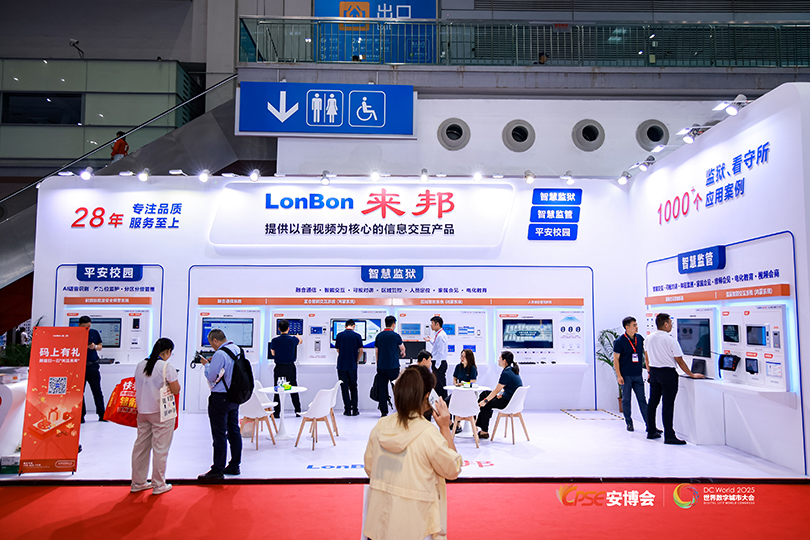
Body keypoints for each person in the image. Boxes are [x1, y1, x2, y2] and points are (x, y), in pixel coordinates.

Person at [363, 365, 462, 540]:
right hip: (417, 527)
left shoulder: (380, 427)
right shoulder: (428, 434)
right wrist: (445, 428)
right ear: (427, 397)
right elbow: (452, 469)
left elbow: (370, 468)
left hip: (379, 526)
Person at [645, 313, 705, 445]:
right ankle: (669, 436)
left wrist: (649, 371)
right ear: (665, 324)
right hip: (668, 374)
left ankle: (651, 431)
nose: (671, 326)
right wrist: (691, 374)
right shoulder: (670, 340)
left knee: (653, 403)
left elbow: (646, 356)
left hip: (654, 372)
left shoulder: (649, 338)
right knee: (667, 405)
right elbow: (680, 360)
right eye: (670, 323)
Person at [130, 338, 180, 495]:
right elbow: (176, 389)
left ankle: (138, 482)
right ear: (168, 351)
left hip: (142, 411)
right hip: (161, 413)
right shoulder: (166, 367)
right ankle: (158, 485)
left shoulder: (140, 365)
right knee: (160, 449)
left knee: (141, 447)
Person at [197, 329, 242, 480]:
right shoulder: (237, 349)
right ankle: (234, 465)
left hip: (220, 398)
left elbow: (211, 376)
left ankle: (217, 469)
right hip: (234, 396)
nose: (212, 346)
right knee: (234, 431)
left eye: (211, 343)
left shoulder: (220, 354)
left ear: (215, 340)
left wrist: (206, 365)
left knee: (219, 434)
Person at [613, 316, 653, 433]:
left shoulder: (639, 338)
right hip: (626, 376)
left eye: (636, 325)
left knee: (642, 400)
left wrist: (649, 370)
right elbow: (616, 359)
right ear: (627, 327)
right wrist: (619, 376)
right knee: (626, 400)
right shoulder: (620, 341)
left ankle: (649, 425)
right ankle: (629, 423)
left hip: (638, 374)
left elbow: (645, 353)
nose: (636, 327)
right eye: (634, 325)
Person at [476, 351, 523, 440]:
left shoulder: (506, 373)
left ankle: (483, 431)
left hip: (507, 403)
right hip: (511, 399)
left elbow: (496, 390)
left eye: (500, 358)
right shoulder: (512, 370)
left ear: (504, 361)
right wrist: (501, 394)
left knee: (486, 403)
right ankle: (480, 425)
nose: (498, 360)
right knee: (485, 393)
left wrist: (485, 401)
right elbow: (508, 388)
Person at [270, 319, 303, 417]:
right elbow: (300, 341)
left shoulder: (275, 340)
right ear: (288, 329)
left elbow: (273, 353)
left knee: (277, 390)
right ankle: (298, 411)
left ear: (279, 329)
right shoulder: (293, 339)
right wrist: (298, 337)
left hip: (279, 367)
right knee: (294, 388)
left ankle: (276, 413)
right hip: (290, 367)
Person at [374, 315, 405, 417]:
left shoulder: (379, 336)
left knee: (382, 389)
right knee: (396, 389)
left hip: (381, 367)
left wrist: (378, 364)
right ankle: (399, 409)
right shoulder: (396, 336)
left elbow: (377, 352)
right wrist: (403, 352)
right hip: (393, 367)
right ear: (393, 324)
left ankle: (384, 412)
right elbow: (402, 348)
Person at [77, 316, 106, 423]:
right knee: (80, 392)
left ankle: (102, 414)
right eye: (84, 327)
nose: (87, 329)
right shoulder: (75, 334)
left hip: (93, 365)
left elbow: (100, 346)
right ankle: (81, 415)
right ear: (79, 325)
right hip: (80, 366)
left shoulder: (94, 333)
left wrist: (94, 347)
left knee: (97, 390)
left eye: (88, 326)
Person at [335, 319, 363, 416]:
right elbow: (361, 350)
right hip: (352, 365)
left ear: (345, 326)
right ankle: (355, 410)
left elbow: (338, 350)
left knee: (344, 388)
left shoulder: (339, 335)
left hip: (341, 365)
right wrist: (357, 360)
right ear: (353, 326)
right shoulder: (357, 336)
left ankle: (347, 410)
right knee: (353, 387)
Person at [428, 316, 449, 400]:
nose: (431, 325)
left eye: (432, 323)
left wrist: (437, 364)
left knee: (440, 385)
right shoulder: (439, 334)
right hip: (438, 362)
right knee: (437, 385)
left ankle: (443, 403)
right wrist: (430, 340)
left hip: (439, 363)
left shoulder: (440, 336)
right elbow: (436, 346)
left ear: (437, 324)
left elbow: (440, 351)